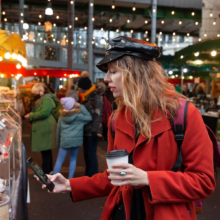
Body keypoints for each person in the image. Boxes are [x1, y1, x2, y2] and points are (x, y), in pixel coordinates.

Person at [39, 36, 215, 220]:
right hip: (122, 211)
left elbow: (203, 181)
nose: (106, 79)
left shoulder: (184, 115)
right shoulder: (117, 119)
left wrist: (148, 179)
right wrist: (69, 184)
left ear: (137, 74)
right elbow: (113, 177)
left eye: (113, 72)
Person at [53, 97, 92, 178]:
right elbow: (89, 117)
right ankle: (70, 179)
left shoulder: (61, 117)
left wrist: (58, 143)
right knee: (73, 159)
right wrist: (81, 106)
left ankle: (53, 178)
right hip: (76, 142)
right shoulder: (79, 116)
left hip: (64, 141)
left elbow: (58, 131)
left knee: (59, 160)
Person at [25, 83, 56, 174]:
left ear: (41, 91)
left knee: (45, 149)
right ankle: (48, 170)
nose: (34, 94)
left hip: (45, 127)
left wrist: (31, 115)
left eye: (35, 92)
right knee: (45, 150)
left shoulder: (47, 99)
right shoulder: (44, 98)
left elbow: (44, 113)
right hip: (44, 126)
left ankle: (46, 171)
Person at [77, 75, 106, 177]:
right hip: (86, 129)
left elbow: (99, 113)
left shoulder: (96, 96)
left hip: (92, 130)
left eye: (80, 87)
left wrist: (95, 130)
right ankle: (88, 175)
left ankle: (93, 176)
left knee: (91, 154)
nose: (79, 90)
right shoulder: (86, 96)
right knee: (87, 154)